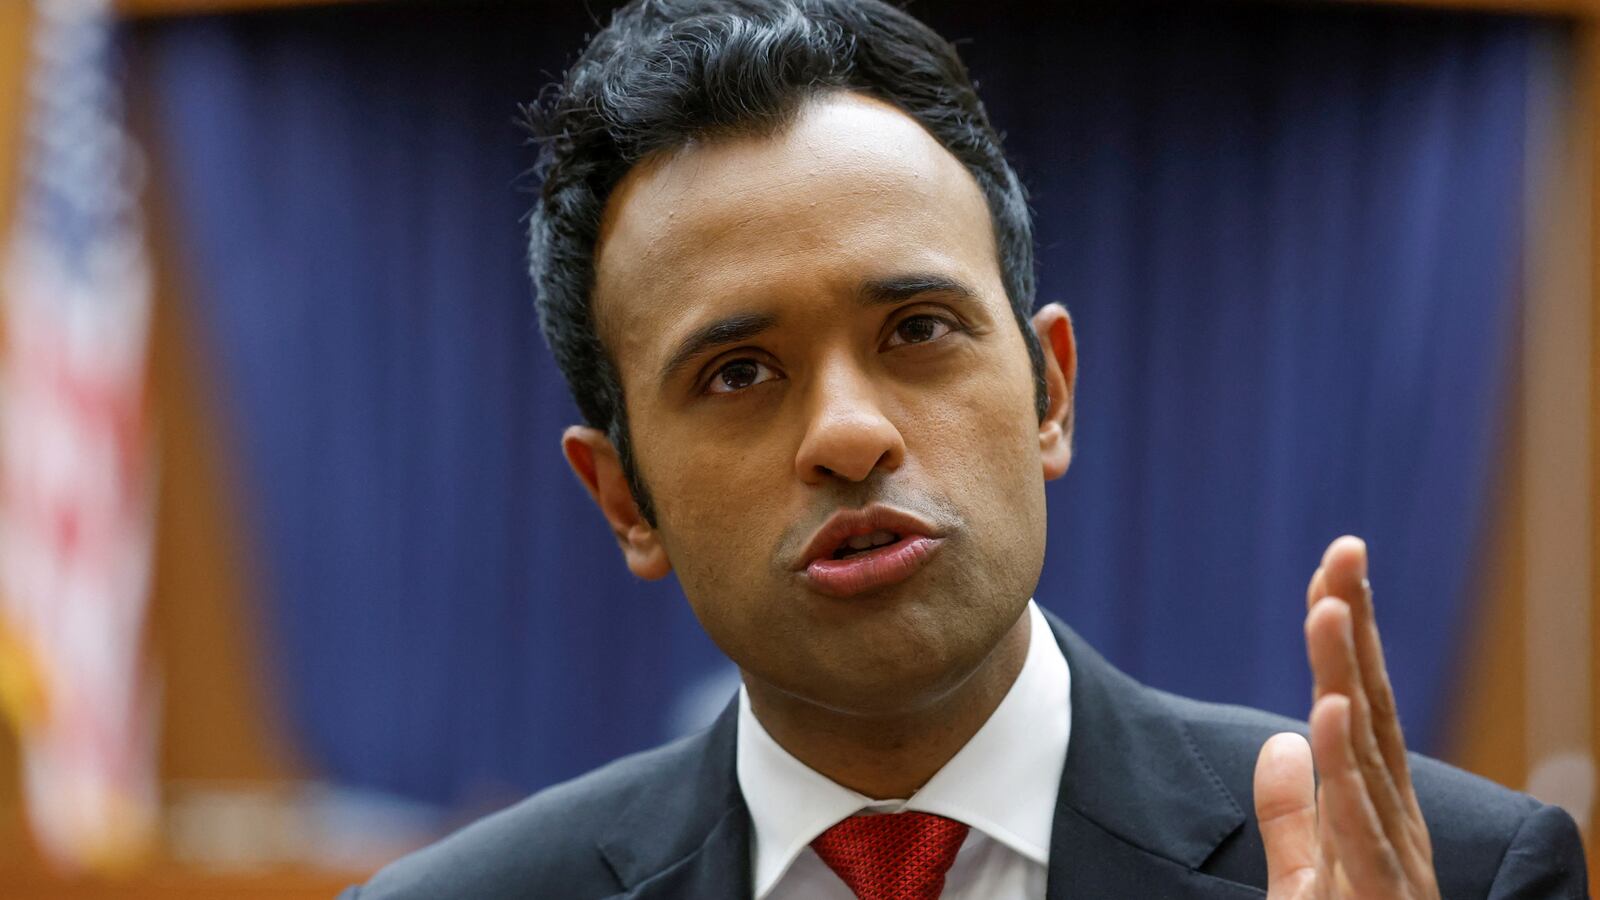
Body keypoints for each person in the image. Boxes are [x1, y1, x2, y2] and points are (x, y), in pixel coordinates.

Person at [343, 0, 1588, 897]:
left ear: (1049, 391)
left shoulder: (1459, 871)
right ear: (626, 501)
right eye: (737, 373)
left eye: (918, 329)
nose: (847, 433)